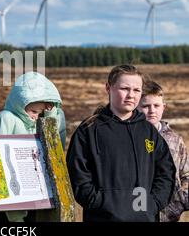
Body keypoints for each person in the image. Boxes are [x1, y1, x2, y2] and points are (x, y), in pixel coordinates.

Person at [66, 64, 176, 222]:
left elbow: (165, 173)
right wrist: (100, 203)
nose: (131, 95)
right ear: (108, 88)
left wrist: (152, 204)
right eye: (125, 88)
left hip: (144, 217)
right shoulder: (89, 130)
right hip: (102, 218)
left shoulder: (148, 131)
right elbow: (78, 176)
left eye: (137, 90)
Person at [0, 71, 66, 222]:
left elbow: (56, 151)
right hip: (8, 207)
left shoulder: (38, 123)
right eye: (33, 111)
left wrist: (49, 116)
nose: (36, 116)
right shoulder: (5, 119)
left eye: (40, 112)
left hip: (37, 199)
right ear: (20, 104)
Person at [139, 80, 189, 222]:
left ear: (163, 107)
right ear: (136, 107)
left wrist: (179, 203)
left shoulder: (175, 140)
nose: (152, 110)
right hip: (140, 213)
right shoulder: (131, 138)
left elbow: (186, 174)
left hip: (169, 215)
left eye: (156, 105)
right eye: (146, 106)